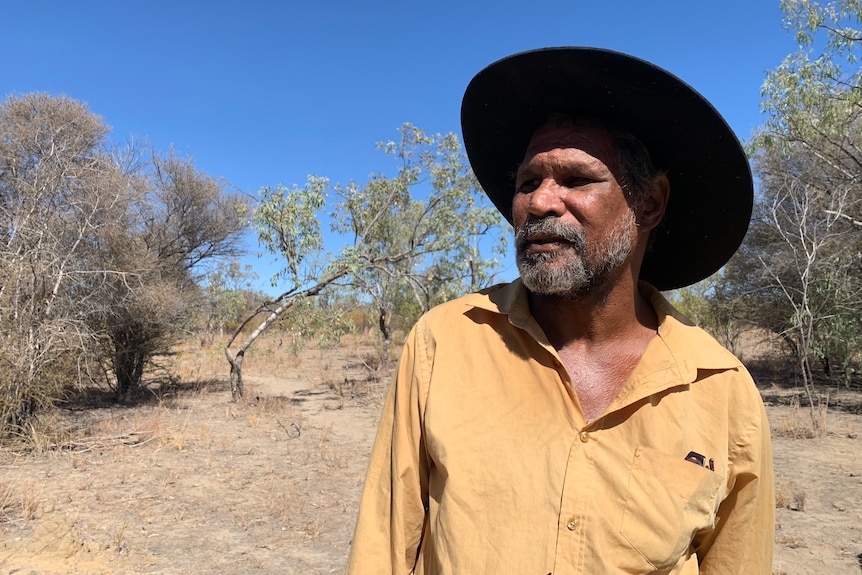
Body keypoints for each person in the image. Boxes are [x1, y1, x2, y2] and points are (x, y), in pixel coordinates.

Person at [346, 47, 774, 575]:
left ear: (650, 204)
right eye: (528, 182)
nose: (541, 202)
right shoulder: (444, 343)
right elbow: (382, 550)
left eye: (576, 179)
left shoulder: (721, 391)